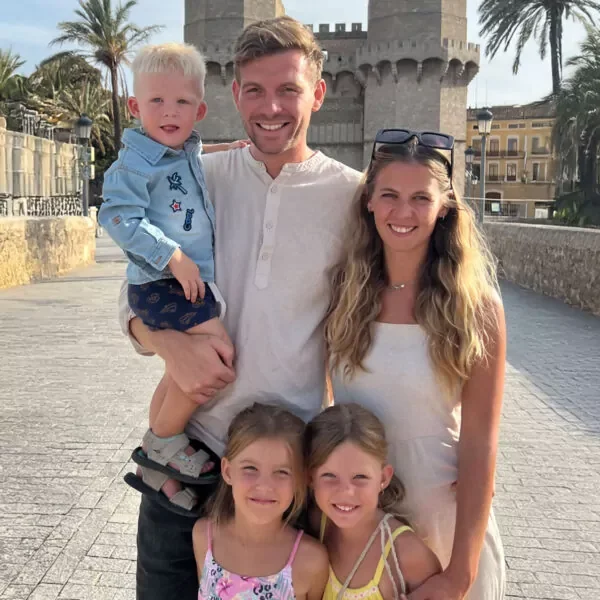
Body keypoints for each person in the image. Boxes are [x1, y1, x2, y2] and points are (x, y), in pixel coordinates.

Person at [117, 16, 363, 600]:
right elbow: (130, 295)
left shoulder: (354, 197)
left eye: (288, 90)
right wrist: (169, 346)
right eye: (255, 90)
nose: (270, 107)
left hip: (286, 475)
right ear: (234, 94)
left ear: (318, 93)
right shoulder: (193, 179)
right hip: (188, 459)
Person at [324, 130, 507, 600]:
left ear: (444, 206)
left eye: (420, 198)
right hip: (355, 522)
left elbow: (481, 443)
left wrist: (460, 574)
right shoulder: (343, 292)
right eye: (389, 195)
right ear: (368, 202)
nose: (402, 212)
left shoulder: (476, 307)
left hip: (441, 520)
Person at [100, 43, 249, 514]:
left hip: (176, 285)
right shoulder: (133, 164)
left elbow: (194, 156)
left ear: (199, 110)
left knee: (179, 368)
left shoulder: (180, 151)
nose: (169, 111)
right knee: (216, 354)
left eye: (182, 102)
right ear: (134, 106)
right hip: (162, 283)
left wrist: (231, 150)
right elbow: (116, 217)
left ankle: (155, 459)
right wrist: (173, 256)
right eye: (157, 101)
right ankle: (164, 440)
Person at [193, 403, 329, 600]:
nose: (265, 486)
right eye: (250, 469)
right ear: (228, 471)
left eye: (282, 472)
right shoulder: (204, 537)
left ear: (300, 479)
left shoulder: (311, 560)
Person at [305, 403, 441, 600]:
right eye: (330, 476)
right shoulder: (317, 524)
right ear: (310, 478)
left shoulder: (406, 554)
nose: (346, 491)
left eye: (360, 477)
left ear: (383, 478)